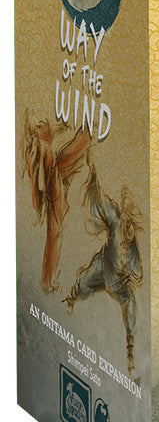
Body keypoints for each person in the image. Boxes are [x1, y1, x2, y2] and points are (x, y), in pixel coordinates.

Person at [63, 161, 143, 375]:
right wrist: (93, 178)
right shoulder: (116, 220)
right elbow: (101, 200)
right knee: (83, 282)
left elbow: (137, 273)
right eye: (128, 217)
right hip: (102, 268)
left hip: (119, 283)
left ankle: (130, 352)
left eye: (132, 222)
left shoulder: (133, 246)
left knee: (131, 305)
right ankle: (70, 300)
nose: (129, 225)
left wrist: (129, 277)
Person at [23, 110, 91, 293]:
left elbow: (54, 129)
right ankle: (48, 282)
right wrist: (40, 207)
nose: (38, 124)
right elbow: (39, 183)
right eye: (34, 125)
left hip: (57, 180)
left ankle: (48, 281)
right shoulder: (36, 149)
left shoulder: (42, 135)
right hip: (54, 192)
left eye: (37, 123)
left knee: (54, 234)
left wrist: (63, 126)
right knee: (54, 234)